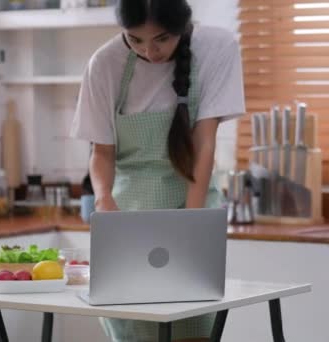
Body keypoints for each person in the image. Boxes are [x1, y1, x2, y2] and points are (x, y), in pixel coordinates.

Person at [69, 0, 245, 340]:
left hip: (191, 203)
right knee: (135, 332)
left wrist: (190, 226)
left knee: (193, 329)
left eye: (161, 39)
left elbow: (203, 143)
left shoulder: (217, 47)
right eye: (135, 40)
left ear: (181, 25)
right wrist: (104, 200)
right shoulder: (104, 63)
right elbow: (101, 152)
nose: (149, 51)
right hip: (127, 223)